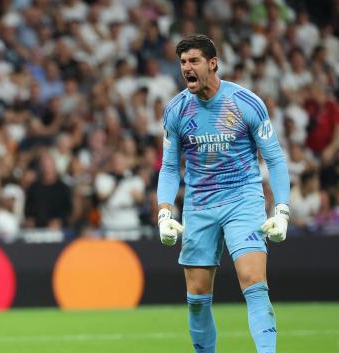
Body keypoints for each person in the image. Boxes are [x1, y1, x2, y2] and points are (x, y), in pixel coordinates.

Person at [157, 35, 290, 353]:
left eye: (194, 61)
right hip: (199, 204)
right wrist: (164, 212)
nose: (187, 68)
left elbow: (274, 158)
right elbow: (170, 167)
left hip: (242, 199)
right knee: (197, 299)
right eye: (183, 62)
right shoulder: (176, 111)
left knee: (253, 282)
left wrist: (282, 210)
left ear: (212, 63)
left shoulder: (246, 103)